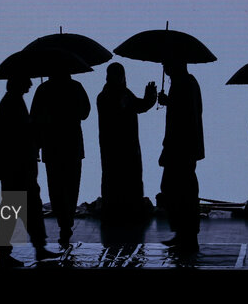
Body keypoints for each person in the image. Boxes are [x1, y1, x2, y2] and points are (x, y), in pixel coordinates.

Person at [0, 75, 61, 268]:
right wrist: (38, 124)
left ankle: (23, 250)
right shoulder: (13, 104)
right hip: (18, 169)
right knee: (24, 209)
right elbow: (21, 135)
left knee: (22, 209)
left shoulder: (11, 102)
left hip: (15, 168)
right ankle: (27, 249)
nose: (30, 83)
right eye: (27, 80)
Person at [30, 71, 90, 247]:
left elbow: (34, 118)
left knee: (56, 187)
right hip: (73, 145)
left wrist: (37, 144)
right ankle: (67, 223)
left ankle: (63, 221)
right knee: (71, 186)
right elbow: (85, 113)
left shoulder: (43, 89)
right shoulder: (76, 87)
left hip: (51, 145)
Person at [97, 62, 157, 223]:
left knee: (120, 179)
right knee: (125, 179)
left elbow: (140, 106)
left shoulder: (111, 95)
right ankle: (125, 210)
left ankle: (122, 209)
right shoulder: (111, 96)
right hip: (121, 148)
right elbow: (139, 106)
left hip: (117, 148)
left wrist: (150, 97)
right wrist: (149, 98)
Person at [157, 60, 204, 252]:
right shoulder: (188, 83)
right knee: (181, 190)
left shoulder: (182, 84)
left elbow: (183, 115)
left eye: (167, 63)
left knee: (177, 190)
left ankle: (185, 235)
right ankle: (184, 234)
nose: (165, 67)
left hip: (180, 148)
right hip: (184, 148)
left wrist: (169, 102)